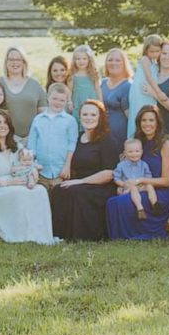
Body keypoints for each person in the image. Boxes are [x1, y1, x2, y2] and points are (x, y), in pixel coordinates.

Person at [0, 109, 57, 244]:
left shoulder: (16, 146)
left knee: (40, 191)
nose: (2, 125)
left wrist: (32, 174)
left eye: (5, 122)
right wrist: (8, 182)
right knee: (19, 193)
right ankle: (21, 235)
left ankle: (40, 235)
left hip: (16, 183)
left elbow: (27, 165)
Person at [49, 100, 118, 241]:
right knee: (58, 190)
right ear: (79, 117)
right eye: (85, 114)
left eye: (93, 114)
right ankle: (59, 236)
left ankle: (81, 237)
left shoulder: (107, 140)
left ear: (100, 117)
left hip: (101, 186)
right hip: (78, 182)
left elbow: (109, 173)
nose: (89, 118)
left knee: (76, 192)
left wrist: (79, 182)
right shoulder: (78, 137)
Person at [106, 107, 169, 240]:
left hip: (159, 192)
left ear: (157, 123)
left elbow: (166, 181)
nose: (147, 123)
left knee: (123, 202)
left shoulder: (165, 145)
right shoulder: (136, 144)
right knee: (112, 201)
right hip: (137, 188)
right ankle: (118, 237)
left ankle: (130, 235)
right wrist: (124, 184)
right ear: (139, 123)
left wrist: (139, 181)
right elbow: (125, 170)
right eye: (144, 120)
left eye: (151, 120)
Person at [27, 83, 79, 186]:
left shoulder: (70, 121)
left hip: (61, 171)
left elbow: (72, 144)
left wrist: (67, 165)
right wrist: (33, 166)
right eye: (55, 98)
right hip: (40, 171)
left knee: (58, 199)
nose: (58, 103)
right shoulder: (38, 119)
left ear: (66, 101)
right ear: (48, 97)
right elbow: (31, 143)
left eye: (62, 100)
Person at [0, 46, 47, 137]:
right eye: (11, 59)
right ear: (6, 62)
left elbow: (44, 115)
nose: (15, 62)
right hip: (4, 139)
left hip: (31, 139)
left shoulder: (35, 85)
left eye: (18, 59)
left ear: (24, 62)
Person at [127, 34, 166, 134]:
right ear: (146, 50)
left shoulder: (155, 62)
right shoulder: (145, 59)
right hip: (141, 91)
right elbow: (148, 77)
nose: (154, 54)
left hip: (149, 91)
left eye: (157, 51)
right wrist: (158, 92)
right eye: (151, 52)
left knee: (151, 114)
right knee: (140, 113)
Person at [112, 139, 158, 221]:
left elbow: (148, 177)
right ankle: (140, 209)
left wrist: (144, 182)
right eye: (130, 152)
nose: (134, 154)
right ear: (125, 153)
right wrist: (123, 184)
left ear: (142, 152)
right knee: (133, 187)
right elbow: (116, 178)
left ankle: (155, 204)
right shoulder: (121, 165)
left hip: (140, 186)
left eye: (137, 151)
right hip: (127, 188)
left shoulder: (144, 165)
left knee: (149, 186)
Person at [99, 48, 133, 143]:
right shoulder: (102, 83)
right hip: (102, 137)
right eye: (110, 60)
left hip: (120, 138)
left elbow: (131, 118)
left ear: (124, 64)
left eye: (117, 60)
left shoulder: (128, 86)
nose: (113, 63)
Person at [68, 45, 103, 119]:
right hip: (78, 101)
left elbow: (98, 89)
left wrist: (100, 102)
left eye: (84, 59)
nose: (81, 61)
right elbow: (70, 90)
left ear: (89, 60)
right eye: (78, 59)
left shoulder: (93, 73)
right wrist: (69, 101)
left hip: (91, 100)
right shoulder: (73, 75)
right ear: (74, 61)